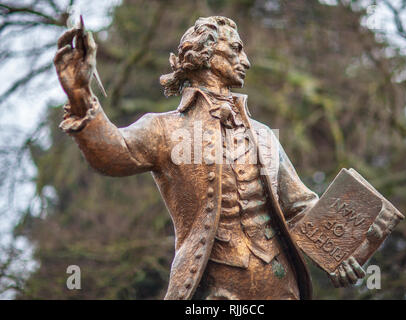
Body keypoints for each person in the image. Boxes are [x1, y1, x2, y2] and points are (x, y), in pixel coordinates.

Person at [54, 16, 365, 300]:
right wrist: (80, 95)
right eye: (236, 49)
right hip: (211, 294)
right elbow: (114, 154)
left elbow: (298, 206)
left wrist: (337, 255)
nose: (246, 60)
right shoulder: (165, 128)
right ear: (206, 53)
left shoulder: (265, 134)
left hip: (281, 288)